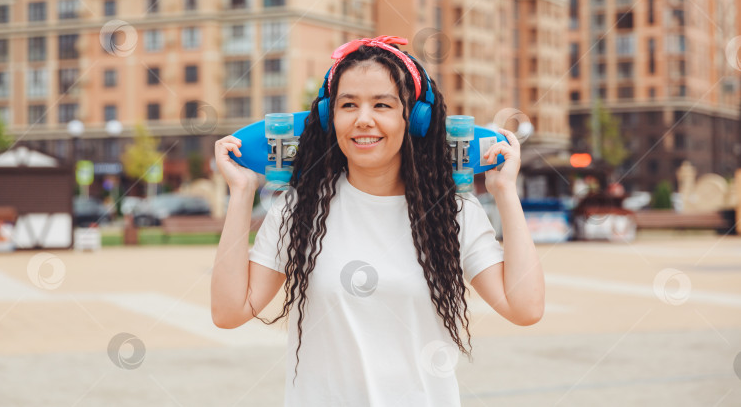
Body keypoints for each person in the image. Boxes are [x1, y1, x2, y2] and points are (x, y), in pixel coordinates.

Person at [211, 36, 544, 405]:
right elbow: (229, 312)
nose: (363, 120)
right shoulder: (299, 209)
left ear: (414, 119)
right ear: (329, 117)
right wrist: (241, 193)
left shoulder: (453, 213)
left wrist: (505, 192)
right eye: (348, 104)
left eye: (382, 104)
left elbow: (525, 307)